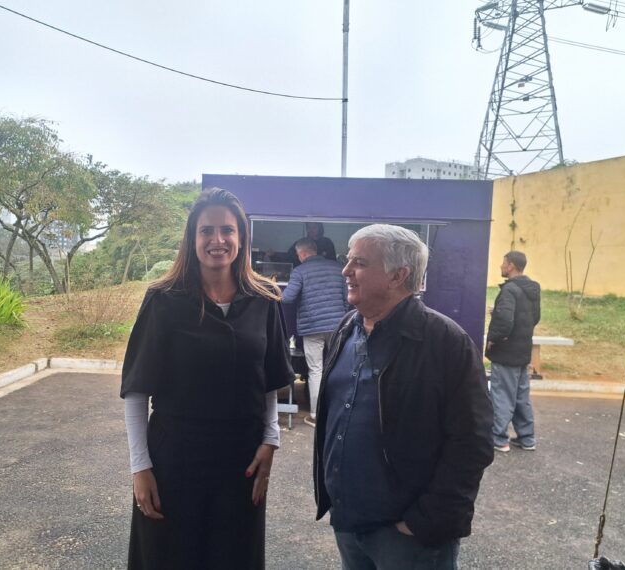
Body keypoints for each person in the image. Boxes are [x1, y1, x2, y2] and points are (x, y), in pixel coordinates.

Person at [120, 188, 295, 570]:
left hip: (241, 462)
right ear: (192, 238)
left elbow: (269, 379)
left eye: (228, 230)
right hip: (174, 460)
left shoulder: (264, 299)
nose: (218, 240)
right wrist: (140, 467)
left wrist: (271, 440)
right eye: (207, 231)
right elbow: (136, 390)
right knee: (170, 557)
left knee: (234, 557)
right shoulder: (163, 300)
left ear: (241, 237)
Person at [312, 224, 493, 570]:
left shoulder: (445, 342)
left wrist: (426, 519)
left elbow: (473, 441)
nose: (346, 271)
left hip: (409, 538)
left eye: (359, 262)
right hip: (348, 522)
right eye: (348, 260)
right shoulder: (346, 328)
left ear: (398, 276)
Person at [280, 237, 348, 428]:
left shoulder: (300, 271)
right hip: (337, 325)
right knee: (338, 367)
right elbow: (347, 298)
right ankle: (337, 411)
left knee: (315, 370)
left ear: (302, 254)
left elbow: (287, 298)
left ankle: (316, 415)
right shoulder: (338, 268)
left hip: (312, 327)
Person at [485, 250, 541, 453]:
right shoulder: (532, 289)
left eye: (503, 263)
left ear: (511, 266)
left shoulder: (509, 290)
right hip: (523, 351)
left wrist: (493, 339)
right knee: (521, 397)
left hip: (506, 353)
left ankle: (499, 438)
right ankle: (527, 438)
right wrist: (499, 312)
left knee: (501, 395)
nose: (501, 266)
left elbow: (505, 322)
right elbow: (534, 318)